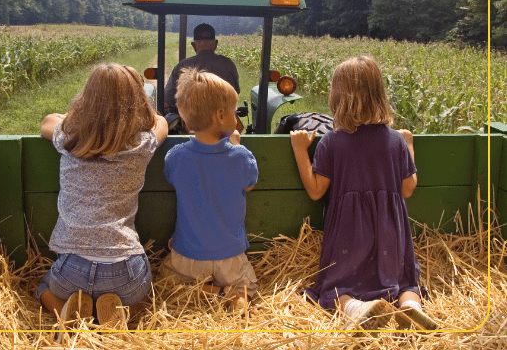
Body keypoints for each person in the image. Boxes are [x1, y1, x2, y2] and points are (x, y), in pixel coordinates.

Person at [290, 56, 437, 331]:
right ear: (379, 95)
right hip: (390, 231)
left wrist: (300, 150)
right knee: (405, 281)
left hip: (349, 232)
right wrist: (409, 146)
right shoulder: (395, 140)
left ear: (337, 97)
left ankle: (356, 309)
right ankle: (410, 306)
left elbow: (315, 190)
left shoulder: (332, 142)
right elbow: (408, 188)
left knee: (335, 286)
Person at [36, 63, 168, 333]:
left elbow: (47, 121)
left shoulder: (71, 139)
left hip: (72, 270)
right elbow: (161, 122)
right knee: (144, 295)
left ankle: (63, 308)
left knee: (42, 286)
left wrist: (80, 118)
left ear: (87, 99)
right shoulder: (141, 144)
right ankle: (119, 313)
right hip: (125, 272)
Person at [160, 68, 258, 311]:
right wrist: (235, 145)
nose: (236, 118)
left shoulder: (176, 156)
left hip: (188, 256)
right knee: (246, 285)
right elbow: (250, 184)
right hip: (230, 256)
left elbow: (172, 177)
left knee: (167, 280)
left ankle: (211, 292)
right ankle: (235, 297)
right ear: (220, 116)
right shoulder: (240, 156)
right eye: (235, 113)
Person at [164, 23, 240, 110]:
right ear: (215, 44)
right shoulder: (228, 64)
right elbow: (236, 91)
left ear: (194, 46)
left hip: (190, 120)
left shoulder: (182, 66)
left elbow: (167, 100)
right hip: (223, 117)